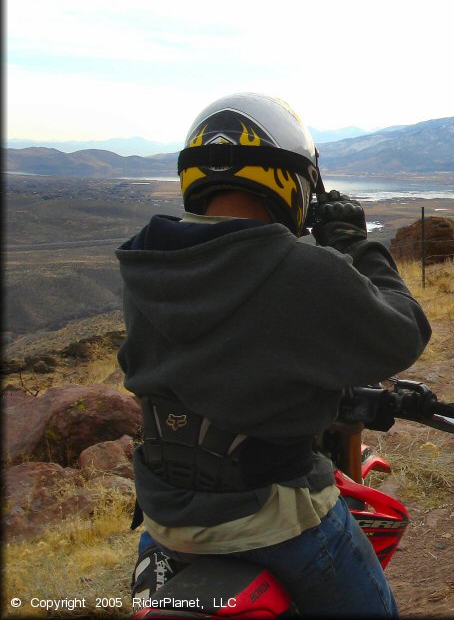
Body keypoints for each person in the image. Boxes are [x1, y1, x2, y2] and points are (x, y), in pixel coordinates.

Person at [116, 93, 431, 617]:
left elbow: (223, 364)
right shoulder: (296, 268)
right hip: (274, 520)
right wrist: (356, 241)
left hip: (166, 521)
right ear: (291, 179)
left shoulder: (147, 265)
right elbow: (404, 331)